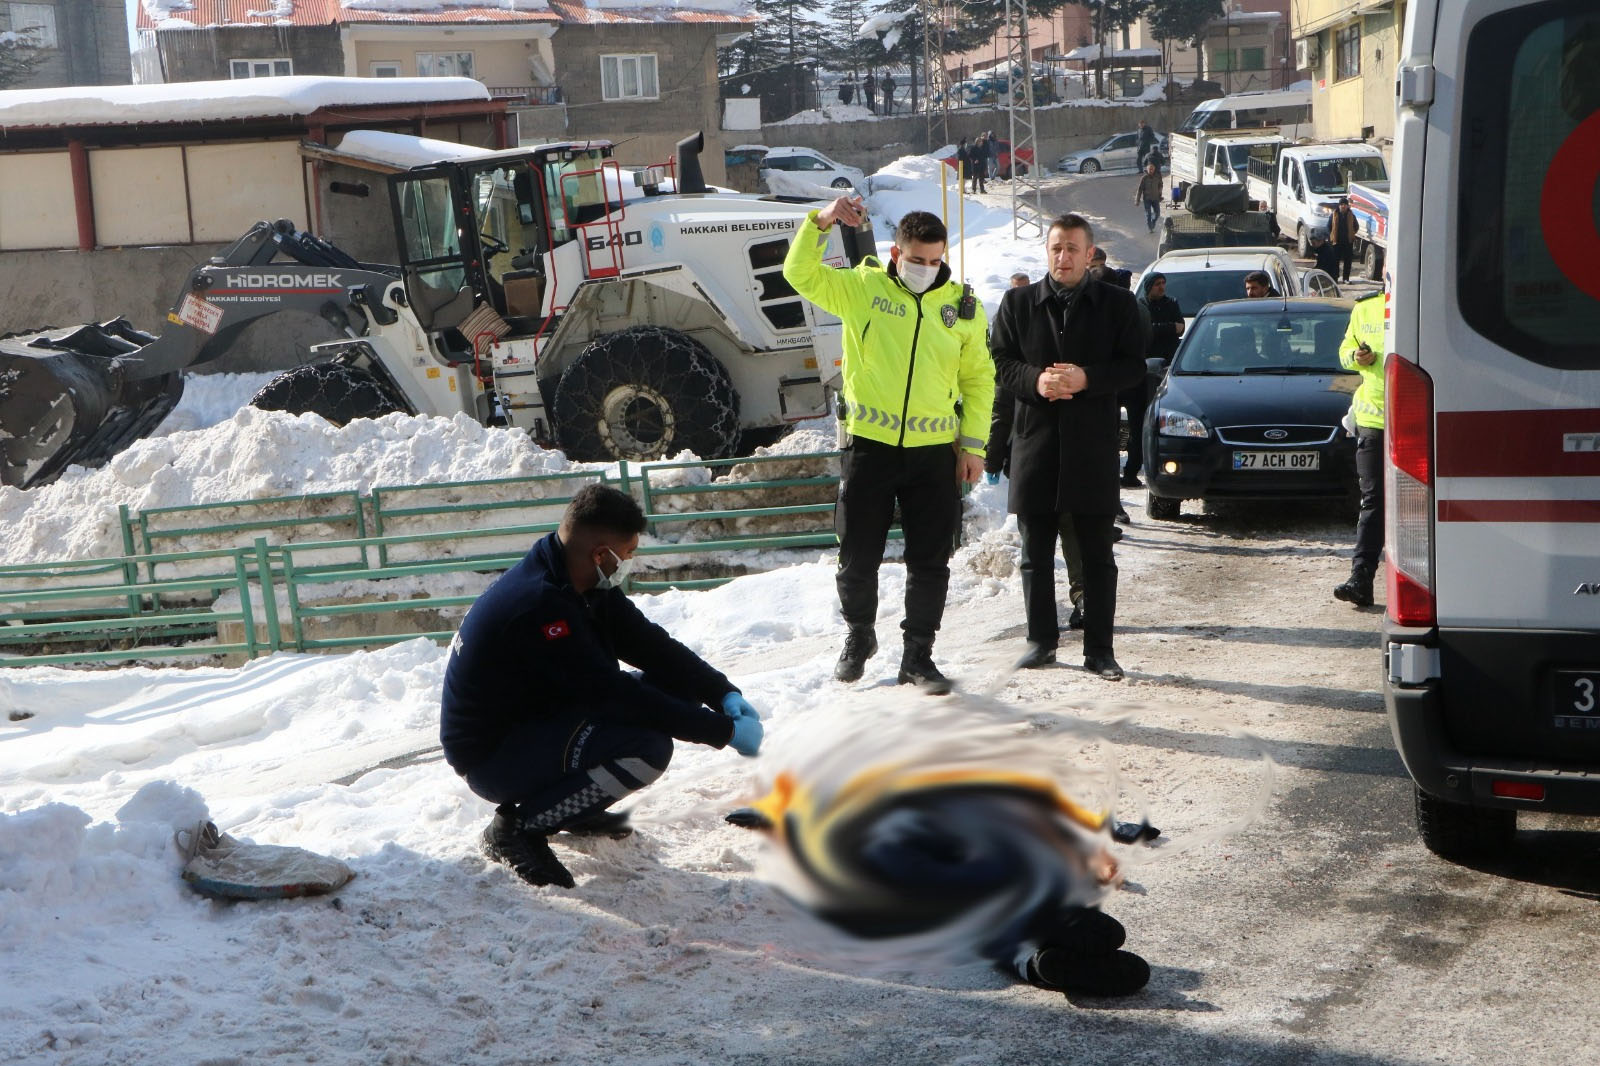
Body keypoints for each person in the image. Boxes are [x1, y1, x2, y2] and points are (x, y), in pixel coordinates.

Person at [440, 484, 765, 888]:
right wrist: (724, 732)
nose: (627, 563)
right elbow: (613, 695)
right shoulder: (540, 605)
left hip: (539, 720)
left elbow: (647, 643)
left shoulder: (576, 579)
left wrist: (721, 692)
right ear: (600, 554)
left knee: (673, 690)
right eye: (626, 555)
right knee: (646, 750)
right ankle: (518, 829)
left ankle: (576, 804)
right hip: (493, 757)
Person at [783, 195, 994, 691]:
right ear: (896, 254)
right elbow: (800, 274)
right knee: (857, 554)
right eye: (916, 259)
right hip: (870, 449)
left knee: (930, 560)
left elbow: (980, 380)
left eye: (934, 260)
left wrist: (974, 446)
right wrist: (821, 222)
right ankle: (860, 635)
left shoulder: (962, 307)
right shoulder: (863, 288)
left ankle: (918, 654)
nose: (925, 268)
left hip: (933, 455)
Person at [990, 214, 1145, 679]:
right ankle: (1041, 643)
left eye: (1072, 249)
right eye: (1056, 248)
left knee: (1098, 557)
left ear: (1089, 254)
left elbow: (1134, 368)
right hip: (1034, 447)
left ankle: (1100, 650)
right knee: (1035, 555)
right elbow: (1001, 362)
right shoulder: (1018, 303)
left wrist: (1086, 379)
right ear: (1048, 252)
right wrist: (1037, 380)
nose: (1063, 257)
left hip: (1091, 450)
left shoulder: (1116, 305)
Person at [1333, 288, 1387, 607]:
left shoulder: (1428, 295)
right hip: (1374, 419)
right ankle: (1361, 578)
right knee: (1374, 500)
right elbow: (1343, 352)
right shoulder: (1365, 308)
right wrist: (1356, 357)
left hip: (1423, 418)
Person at [1330, 197, 1359, 284]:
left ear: (1347, 206)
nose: (1343, 206)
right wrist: (1332, 236)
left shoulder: (1351, 215)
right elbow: (1329, 227)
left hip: (1348, 242)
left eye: (1345, 205)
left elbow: (1356, 226)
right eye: (1341, 205)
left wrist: (1352, 234)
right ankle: (1335, 278)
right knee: (1335, 261)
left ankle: (1346, 278)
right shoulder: (1334, 215)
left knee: (1348, 261)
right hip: (1336, 242)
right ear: (1339, 206)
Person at [1134, 161, 1163, 234]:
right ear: (1147, 169)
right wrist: (1137, 200)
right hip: (1147, 199)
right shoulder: (1144, 178)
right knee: (1148, 214)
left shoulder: (1157, 177)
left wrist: (1160, 193)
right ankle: (1150, 227)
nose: (1151, 170)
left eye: (1152, 169)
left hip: (1155, 198)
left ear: (1154, 169)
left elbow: (1160, 185)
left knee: (1157, 214)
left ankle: (1153, 221)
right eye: (1149, 169)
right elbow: (1140, 189)